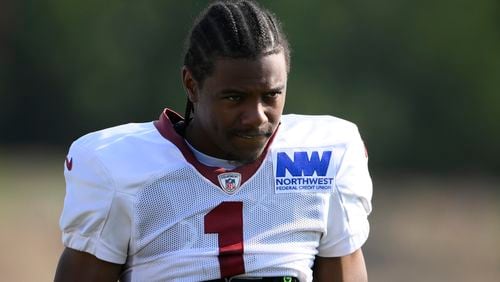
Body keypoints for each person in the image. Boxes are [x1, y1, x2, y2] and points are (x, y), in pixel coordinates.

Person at [54, 1, 373, 281]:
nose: (257, 116)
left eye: (271, 95)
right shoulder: (117, 167)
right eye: (235, 98)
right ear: (191, 85)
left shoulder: (326, 157)